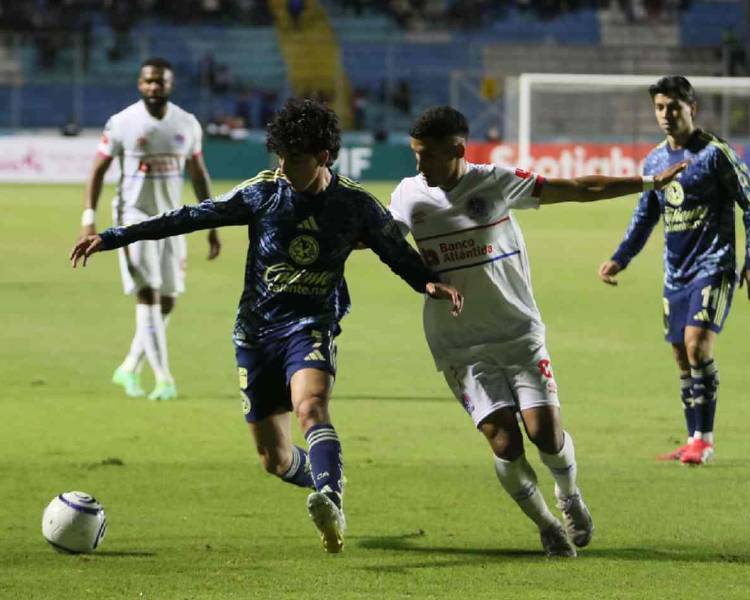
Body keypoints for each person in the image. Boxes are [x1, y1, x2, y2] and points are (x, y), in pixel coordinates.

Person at [71, 98, 463, 554]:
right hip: (256, 333)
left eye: (293, 159)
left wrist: (429, 284)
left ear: (323, 157)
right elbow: (188, 217)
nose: (282, 168)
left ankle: (331, 498)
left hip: (311, 324)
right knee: (274, 459)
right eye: (278, 156)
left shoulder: (355, 206)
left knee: (312, 406)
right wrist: (113, 236)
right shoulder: (263, 193)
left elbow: (396, 252)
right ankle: (322, 477)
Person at [389, 106, 686, 557]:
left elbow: (581, 188)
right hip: (459, 342)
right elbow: (381, 241)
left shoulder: (494, 181)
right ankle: (546, 524)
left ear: (457, 150)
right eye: (415, 155)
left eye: (427, 155)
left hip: (517, 330)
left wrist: (648, 182)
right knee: (504, 440)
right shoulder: (408, 195)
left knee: (545, 433)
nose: (418, 165)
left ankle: (568, 495)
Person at [598, 76, 750, 465]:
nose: (666, 115)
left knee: (697, 346)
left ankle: (704, 441)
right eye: (660, 107)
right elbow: (645, 217)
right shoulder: (655, 161)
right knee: (680, 356)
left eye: (674, 107)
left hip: (715, 265)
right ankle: (693, 438)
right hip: (676, 273)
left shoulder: (715, 154)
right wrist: (620, 257)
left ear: (693, 108)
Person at [80, 57, 221, 401]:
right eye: (148, 81)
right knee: (149, 293)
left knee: (168, 299)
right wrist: (88, 217)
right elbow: (98, 170)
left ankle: (129, 366)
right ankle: (163, 378)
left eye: (161, 81)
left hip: (173, 221)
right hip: (133, 218)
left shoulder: (186, 123)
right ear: (139, 84)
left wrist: (212, 222)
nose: (154, 87)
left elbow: (199, 173)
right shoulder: (122, 123)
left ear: (171, 85)